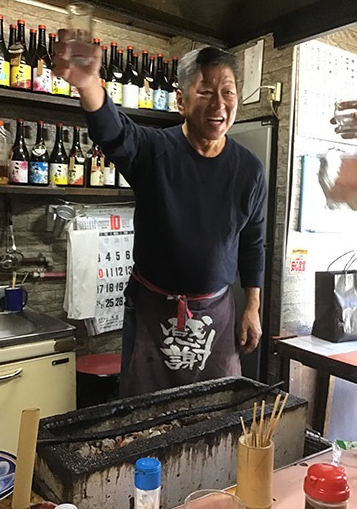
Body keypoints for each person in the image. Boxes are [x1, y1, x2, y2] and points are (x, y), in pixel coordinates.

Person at [53, 37, 266, 397]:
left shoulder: (250, 169)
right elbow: (114, 132)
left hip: (217, 312)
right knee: (145, 410)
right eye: (205, 92)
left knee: (214, 406)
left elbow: (253, 242)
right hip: (153, 312)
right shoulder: (155, 150)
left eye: (228, 92)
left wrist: (253, 307)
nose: (219, 104)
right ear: (181, 101)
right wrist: (89, 84)